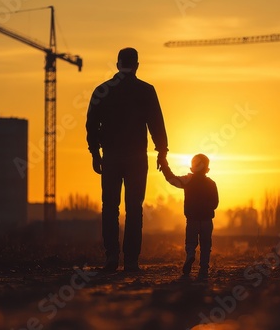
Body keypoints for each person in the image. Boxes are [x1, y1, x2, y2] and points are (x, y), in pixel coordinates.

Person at [86, 47, 168, 272]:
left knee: (110, 207)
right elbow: (156, 124)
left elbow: (92, 125)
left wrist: (95, 153)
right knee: (134, 208)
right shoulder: (146, 90)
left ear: (117, 64)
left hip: (111, 157)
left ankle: (111, 256)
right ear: (137, 65)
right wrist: (162, 152)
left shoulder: (101, 91)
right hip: (137, 159)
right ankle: (131, 260)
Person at [159, 154, 219, 279]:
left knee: (191, 242)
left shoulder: (188, 180)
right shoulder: (211, 183)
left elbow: (172, 179)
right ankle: (204, 268)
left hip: (192, 219)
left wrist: (164, 166)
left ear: (193, 167)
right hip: (207, 220)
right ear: (207, 168)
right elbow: (215, 202)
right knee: (206, 245)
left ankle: (190, 254)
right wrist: (207, 209)